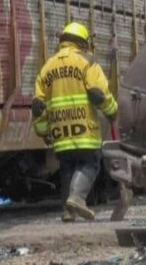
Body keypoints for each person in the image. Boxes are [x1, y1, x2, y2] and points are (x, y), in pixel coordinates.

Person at [32, 22, 118, 222]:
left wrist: (43, 132)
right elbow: (99, 93)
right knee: (90, 162)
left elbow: (38, 106)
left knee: (67, 166)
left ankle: (68, 211)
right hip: (84, 130)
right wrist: (112, 112)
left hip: (61, 133)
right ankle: (78, 198)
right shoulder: (87, 62)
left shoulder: (47, 68)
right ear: (82, 42)